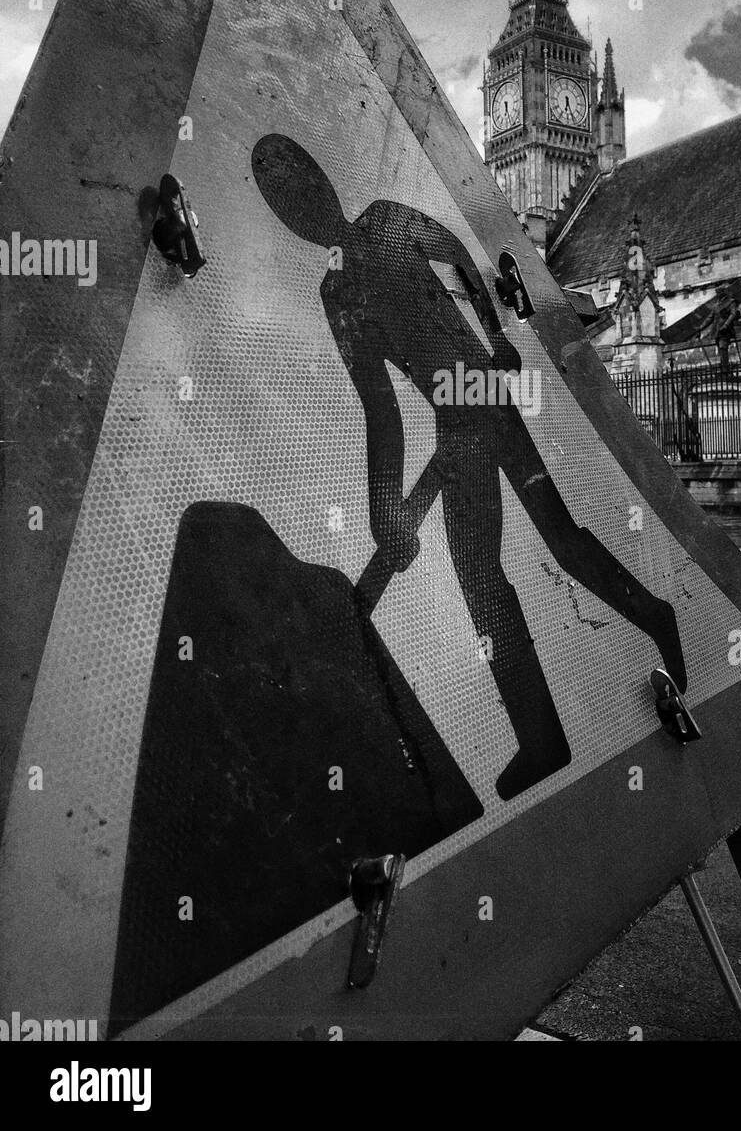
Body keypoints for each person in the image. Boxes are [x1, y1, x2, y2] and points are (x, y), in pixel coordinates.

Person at [252, 133, 688, 802]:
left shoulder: (386, 223)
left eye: (296, 187)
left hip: (479, 393)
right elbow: (383, 413)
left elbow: (457, 253)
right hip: (456, 422)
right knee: (488, 577)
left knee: (555, 543)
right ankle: (545, 734)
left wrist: (497, 338)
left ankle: (653, 622)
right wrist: (384, 508)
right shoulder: (336, 292)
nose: (299, 206)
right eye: (283, 198)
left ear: (321, 184)